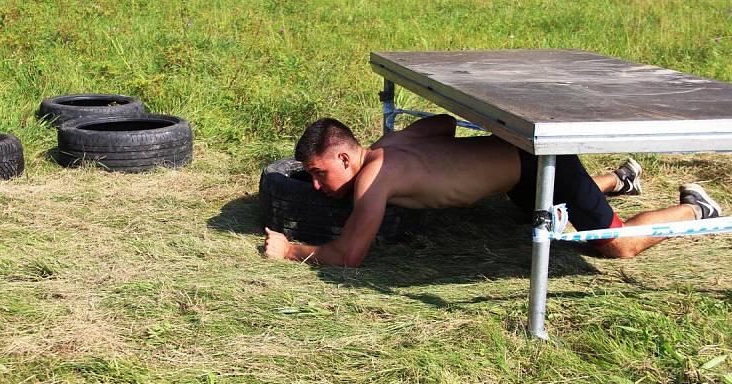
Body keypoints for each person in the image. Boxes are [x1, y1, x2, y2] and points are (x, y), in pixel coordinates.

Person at [263, 115, 723, 266]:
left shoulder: (372, 179)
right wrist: (452, 163)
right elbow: (443, 124)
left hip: (538, 164)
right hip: (515, 172)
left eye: (321, 173)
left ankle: (696, 210)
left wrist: (287, 250)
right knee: (547, 218)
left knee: (614, 245)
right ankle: (620, 179)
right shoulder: (390, 146)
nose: (318, 185)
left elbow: (349, 256)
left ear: (346, 157)